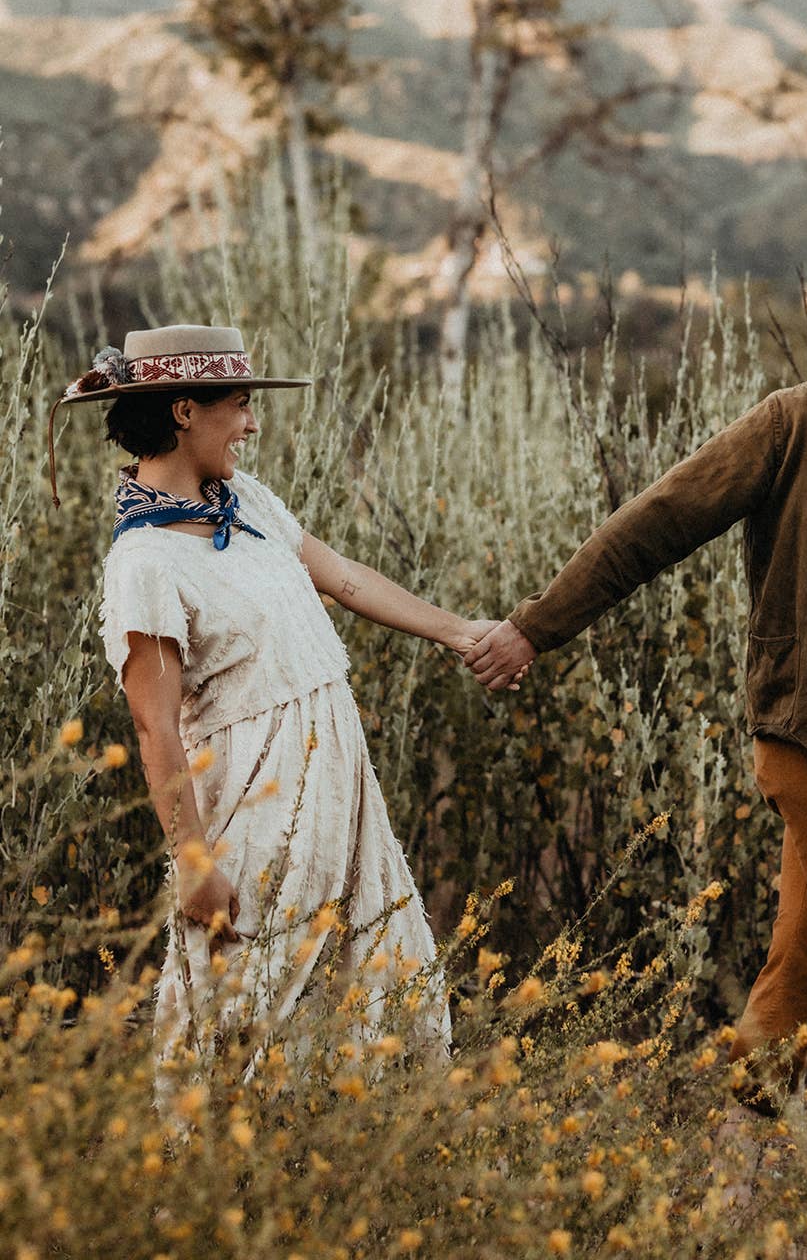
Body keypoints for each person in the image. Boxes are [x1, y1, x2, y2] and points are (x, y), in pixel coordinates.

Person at [465, 224, 807, 1110]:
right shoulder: (796, 423)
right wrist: (533, 629)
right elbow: (653, 525)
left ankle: (736, 1120)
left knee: (806, 957)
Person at [53, 323, 503, 1093]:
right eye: (238, 405)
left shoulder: (248, 502)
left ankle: (364, 1189)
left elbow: (347, 579)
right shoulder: (145, 563)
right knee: (255, 1015)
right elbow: (154, 725)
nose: (252, 424)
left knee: (378, 990)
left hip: (340, 799)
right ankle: (231, 1196)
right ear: (185, 411)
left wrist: (462, 632)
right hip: (256, 811)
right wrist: (193, 864)